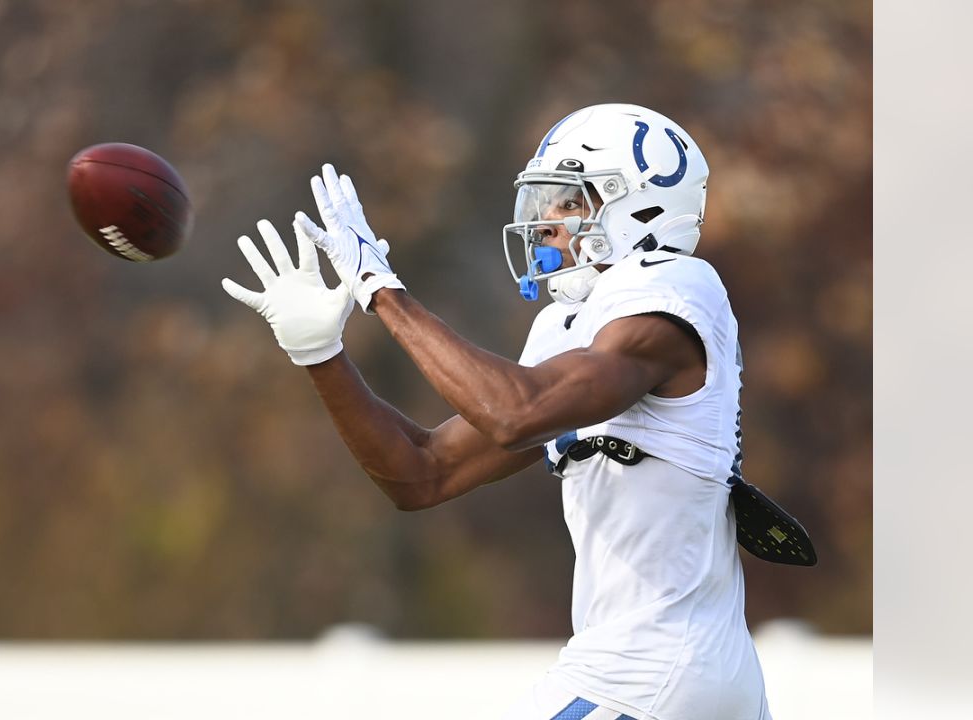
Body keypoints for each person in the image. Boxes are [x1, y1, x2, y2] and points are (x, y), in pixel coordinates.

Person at [222, 103, 771, 720]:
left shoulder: (671, 290)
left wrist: (381, 291)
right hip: (687, 678)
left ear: (637, 205)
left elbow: (516, 413)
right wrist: (319, 354)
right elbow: (422, 473)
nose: (544, 223)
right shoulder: (580, 326)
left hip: (645, 675)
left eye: (567, 202)